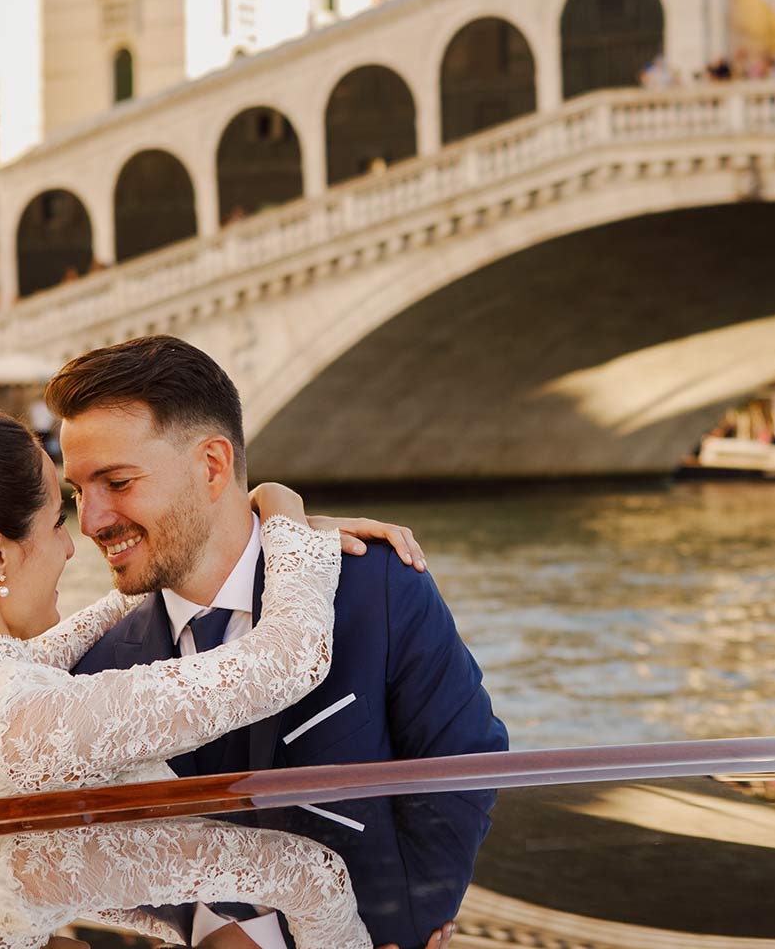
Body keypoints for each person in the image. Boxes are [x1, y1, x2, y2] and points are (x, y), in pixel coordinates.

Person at [0, 408, 427, 948]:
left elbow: (51, 871)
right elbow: (286, 663)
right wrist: (284, 513)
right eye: (54, 524)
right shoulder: (20, 722)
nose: (73, 547)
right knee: (309, 871)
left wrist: (249, 544)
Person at [57, 336, 508, 949]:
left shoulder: (375, 585)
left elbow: (465, 761)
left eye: (116, 481)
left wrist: (413, 918)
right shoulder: (93, 667)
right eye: (78, 491)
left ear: (212, 466)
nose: (91, 520)